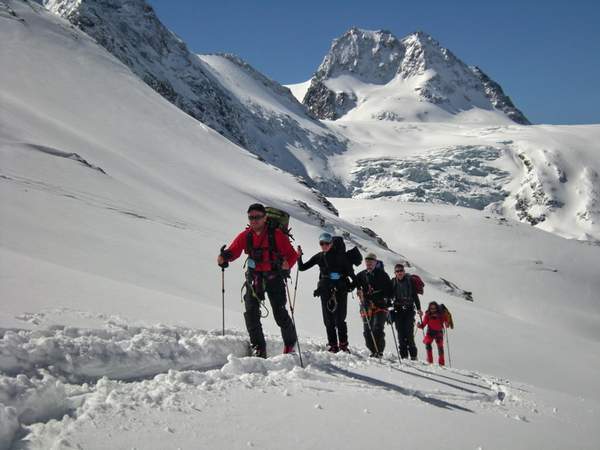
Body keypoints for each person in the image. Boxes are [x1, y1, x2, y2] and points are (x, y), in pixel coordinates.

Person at [217, 203, 298, 358]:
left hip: (274, 277)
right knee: (251, 313)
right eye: (251, 217)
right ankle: (258, 347)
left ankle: (290, 343)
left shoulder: (276, 235)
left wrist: (288, 264)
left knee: (280, 313)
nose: (254, 220)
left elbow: (292, 254)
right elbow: (234, 250)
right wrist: (224, 257)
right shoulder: (246, 235)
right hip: (255, 279)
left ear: (265, 218)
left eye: (257, 217)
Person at [297, 233, 356, 353]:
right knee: (328, 320)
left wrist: (353, 287)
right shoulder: (320, 256)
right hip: (325, 290)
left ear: (332, 243)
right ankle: (333, 345)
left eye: (327, 243)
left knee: (340, 319)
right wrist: (299, 257)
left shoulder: (341, 257)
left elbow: (352, 275)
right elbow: (302, 267)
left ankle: (343, 345)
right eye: (321, 243)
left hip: (340, 289)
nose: (324, 246)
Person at [355, 253, 392, 357]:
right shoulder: (361, 275)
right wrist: (359, 290)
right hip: (366, 305)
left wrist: (385, 298)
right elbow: (354, 284)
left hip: (380, 305)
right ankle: (373, 350)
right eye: (367, 261)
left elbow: (390, 290)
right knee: (367, 331)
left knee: (377, 328)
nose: (369, 263)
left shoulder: (383, 275)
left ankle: (379, 351)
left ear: (375, 263)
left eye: (371, 262)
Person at [390, 263, 423, 360]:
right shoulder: (393, 282)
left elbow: (415, 296)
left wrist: (419, 309)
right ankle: (404, 356)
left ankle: (413, 356)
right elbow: (389, 295)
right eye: (397, 271)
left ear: (404, 272)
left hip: (409, 310)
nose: (399, 273)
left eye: (401, 271)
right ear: (395, 273)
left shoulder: (410, 281)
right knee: (400, 334)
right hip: (398, 310)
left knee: (409, 333)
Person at [417, 301, 450, 366]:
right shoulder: (428, 315)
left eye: (434, 308)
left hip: (438, 333)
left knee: (440, 348)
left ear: (437, 308)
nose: (433, 310)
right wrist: (419, 326)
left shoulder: (441, 315)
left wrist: (447, 323)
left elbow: (446, 323)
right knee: (428, 345)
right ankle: (430, 362)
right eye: (432, 309)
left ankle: (441, 364)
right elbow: (423, 324)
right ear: (429, 309)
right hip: (431, 332)